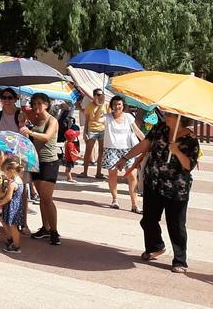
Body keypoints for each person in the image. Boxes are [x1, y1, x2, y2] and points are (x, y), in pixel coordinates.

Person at [118, 113, 200, 273]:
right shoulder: (160, 128)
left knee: (176, 225)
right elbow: (145, 144)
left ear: (180, 118)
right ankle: (155, 247)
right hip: (153, 182)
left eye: (170, 114)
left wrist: (176, 151)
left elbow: (189, 165)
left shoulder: (191, 139)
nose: (166, 116)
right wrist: (125, 157)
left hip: (176, 188)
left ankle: (180, 260)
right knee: (148, 219)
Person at [0, 87, 31, 234]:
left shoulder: (21, 114)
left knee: (21, 190)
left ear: (15, 99)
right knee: (6, 189)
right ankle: (8, 219)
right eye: (4, 98)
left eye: (10, 98)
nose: (6, 101)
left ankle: (23, 223)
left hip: (19, 157)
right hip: (4, 158)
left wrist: (23, 123)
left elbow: (25, 135)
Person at [22, 93, 62, 246]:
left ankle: (54, 231)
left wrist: (30, 132)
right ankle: (45, 228)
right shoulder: (34, 119)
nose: (36, 106)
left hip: (49, 162)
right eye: (34, 103)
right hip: (35, 162)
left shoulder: (52, 120)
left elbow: (46, 137)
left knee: (47, 198)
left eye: (39, 103)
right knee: (42, 198)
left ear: (46, 104)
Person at [102, 96, 145, 212]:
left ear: (123, 106)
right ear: (111, 106)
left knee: (132, 175)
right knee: (112, 175)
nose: (117, 107)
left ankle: (134, 204)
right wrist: (99, 104)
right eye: (115, 104)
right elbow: (96, 120)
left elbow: (137, 131)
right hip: (111, 149)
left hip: (128, 150)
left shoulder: (128, 117)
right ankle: (115, 199)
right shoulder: (107, 117)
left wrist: (147, 142)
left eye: (119, 104)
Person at [0, 157, 26, 254]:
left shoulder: (12, 183)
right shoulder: (19, 180)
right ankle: (12, 240)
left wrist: (0, 203)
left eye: (6, 172)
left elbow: (8, 197)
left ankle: (16, 246)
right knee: (5, 221)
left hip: (12, 207)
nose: (5, 174)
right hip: (16, 206)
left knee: (13, 227)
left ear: (11, 171)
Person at [79, 89, 108, 179]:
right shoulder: (89, 106)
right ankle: (85, 172)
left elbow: (109, 118)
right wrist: (85, 132)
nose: (100, 96)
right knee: (88, 151)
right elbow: (87, 120)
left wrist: (101, 104)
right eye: (98, 95)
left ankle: (98, 173)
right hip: (92, 130)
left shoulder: (106, 105)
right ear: (94, 95)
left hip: (103, 130)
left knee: (101, 152)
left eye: (101, 94)